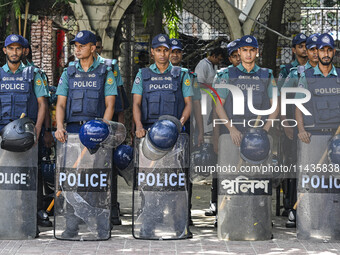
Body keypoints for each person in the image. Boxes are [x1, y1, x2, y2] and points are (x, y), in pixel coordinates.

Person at [55, 30, 117, 238]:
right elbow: (61, 103)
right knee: (72, 181)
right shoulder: (68, 72)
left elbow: (110, 105)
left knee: (95, 181)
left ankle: (100, 226)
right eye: (75, 45)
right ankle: (71, 227)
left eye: (82, 45)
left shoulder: (105, 72)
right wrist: (59, 126)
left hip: (95, 135)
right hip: (72, 133)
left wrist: (102, 130)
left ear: (93, 47)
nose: (77, 49)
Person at [132, 34, 192, 238]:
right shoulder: (143, 75)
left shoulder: (181, 74)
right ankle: (147, 225)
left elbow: (188, 104)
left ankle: (179, 226)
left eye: (166, 50)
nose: (162, 54)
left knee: (175, 184)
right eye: (158, 50)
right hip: (149, 138)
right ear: (152, 52)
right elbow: (136, 104)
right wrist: (139, 126)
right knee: (148, 185)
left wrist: (179, 125)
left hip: (174, 137)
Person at [1, 34, 48, 235]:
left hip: (27, 135)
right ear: (4, 51)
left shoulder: (33, 74)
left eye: (18, 48)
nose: (14, 52)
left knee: (29, 176)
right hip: (3, 134)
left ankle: (34, 214)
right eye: (10, 48)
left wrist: (37, 131)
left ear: (24, 51)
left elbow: (42, 104)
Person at [294, 33, 340, 239]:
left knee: (334, 185)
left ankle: (334, 227)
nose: (326, 53)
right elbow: (298, 105)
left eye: (329, 50)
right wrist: (301, 129)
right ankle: (311, 227)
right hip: (312, 137)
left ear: (334, 53)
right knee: (314, 183)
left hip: (336, 138)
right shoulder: (306, 76)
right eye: (322, 50)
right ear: (317, 52)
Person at [280, 33, 320, 227]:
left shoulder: (330, 72)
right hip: (300, 127)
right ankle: (293, 209)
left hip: (322, 130)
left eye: (311, 47)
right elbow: (284, 98)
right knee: (298, 167)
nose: (308, 51)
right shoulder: (295, 73)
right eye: (305, 47)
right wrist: (286, 123)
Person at [170, 38, 203, 227]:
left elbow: (196, 105)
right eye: (172, 51)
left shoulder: (189, 76)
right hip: (160, 127)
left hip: (185, 129)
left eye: (178, 52)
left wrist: (200, 130)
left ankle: (184, 212)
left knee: (184, 171)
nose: (174, 55)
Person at [195, 47, 224, 220]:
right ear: (213, 56)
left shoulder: (213, 67)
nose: (219, 62)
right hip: (205, 102)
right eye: (218, 58)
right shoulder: (203, 65)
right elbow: (199, 84)